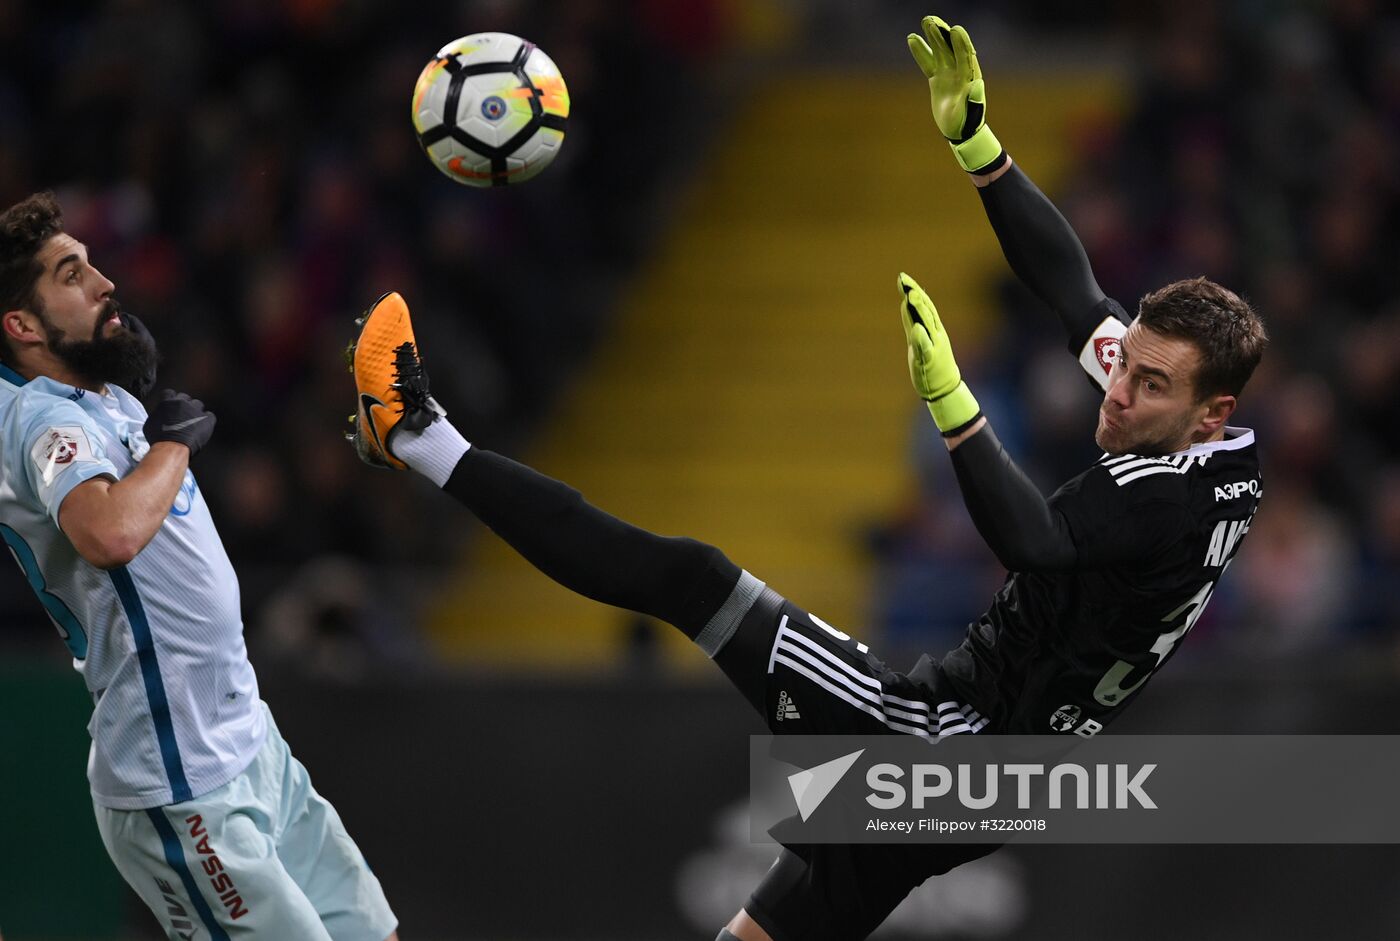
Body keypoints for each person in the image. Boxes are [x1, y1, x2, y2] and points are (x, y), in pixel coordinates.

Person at [346, 14, 1267, 941]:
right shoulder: (1199, 433)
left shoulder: (1167, 496)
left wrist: (952, 405)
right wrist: (979, 149)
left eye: (1148, 385)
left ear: (1208, 414)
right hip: (985, 763)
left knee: (694, 579)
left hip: (942, 750)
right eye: (1129, 367)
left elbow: (1032, 540)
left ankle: (416, 435)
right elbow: (1077, 293)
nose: (1119, 395)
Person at [0, 192, 399, 941]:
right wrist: (174, 444)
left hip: (249, 740)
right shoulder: (37, 419)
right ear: (21, 325)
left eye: (91, 264)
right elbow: (109, 533)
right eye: (71, 274)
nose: (103, 282)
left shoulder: (99, 396)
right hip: (178, 781)